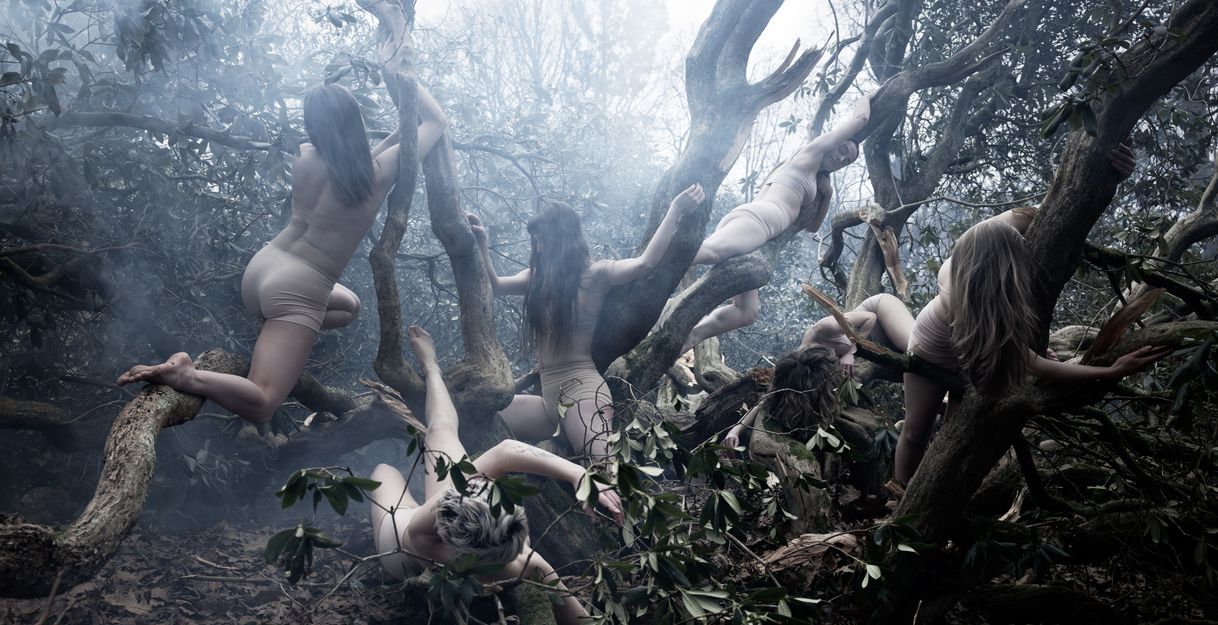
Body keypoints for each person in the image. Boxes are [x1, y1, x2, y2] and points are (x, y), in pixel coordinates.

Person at [116, 83, 448, 423]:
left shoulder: (305, 156)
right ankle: (187, 374)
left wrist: (401, 129)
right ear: (354, 121)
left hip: (264, 267)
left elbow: (358, 163)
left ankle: (277, 328)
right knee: (262, 403)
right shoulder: (374, 176)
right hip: (300, 286)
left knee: (349, 308)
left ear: (312, 126)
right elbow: (435, 121)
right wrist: (395, 72)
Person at [893, 184, 1167, 485]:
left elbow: (1019, 216)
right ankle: (900, 489)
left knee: (955, 435)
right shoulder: (954, 282)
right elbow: (1034, 364)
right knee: (916, 430)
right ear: (1001, 266)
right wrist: (1110, 370)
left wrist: (1106, 178)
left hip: (967, 355)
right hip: (929, 353)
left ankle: (933, 489)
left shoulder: (985, 258)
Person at [368, 326, 623, 625]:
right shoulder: (518, 560)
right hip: (427, 536)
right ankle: (431, 368)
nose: (484, 481)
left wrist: (578, 475)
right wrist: (579, 474)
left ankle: (431, 367)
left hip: (422, 530)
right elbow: (507, 451)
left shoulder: (442, 525)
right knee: (411, 451)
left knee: (409, 453)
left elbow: (502, 454)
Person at [470, 184, 705, 462]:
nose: (537, 247)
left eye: (541, 239)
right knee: (476, 419)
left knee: (601, 470)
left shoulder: (594, 274)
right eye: (535, 241)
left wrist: (675, 210)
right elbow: (495, 285)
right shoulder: (536, 279)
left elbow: (645, 264)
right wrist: (481, 244)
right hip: (548, 401)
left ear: (561, 239)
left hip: (583, 391)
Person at [681, 96, 872, 354]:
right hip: (760, 220)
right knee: (708, 252)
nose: (841, 159)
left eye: (847, 161)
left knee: (746, 312)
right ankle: (649, 265)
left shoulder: (815, 179)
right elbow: (861, 119)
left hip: (758, 226)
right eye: (842, 151)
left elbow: (813, 227)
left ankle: (690, 338)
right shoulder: (811, 152)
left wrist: (826, 194)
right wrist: (868, 97)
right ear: (832, 142)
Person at [721, 293, 914, 447]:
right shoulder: (794, 373)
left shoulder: (822, 329)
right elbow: (767, 399)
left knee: (917, 351)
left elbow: (869, 318)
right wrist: (735, 430)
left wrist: (852, 352)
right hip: (879, 349)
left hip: (881, 315)